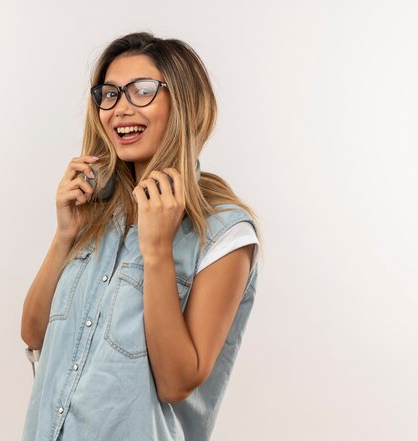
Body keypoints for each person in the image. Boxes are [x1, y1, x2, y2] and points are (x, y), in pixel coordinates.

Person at [20, 32, 263, 441]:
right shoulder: (96, 208)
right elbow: (33, 334)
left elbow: (176, 382)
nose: (120, 109)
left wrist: (157, 251)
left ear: (183, 102)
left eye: (143, 91)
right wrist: (64, 235)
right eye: (110, 94)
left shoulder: (224, 232)